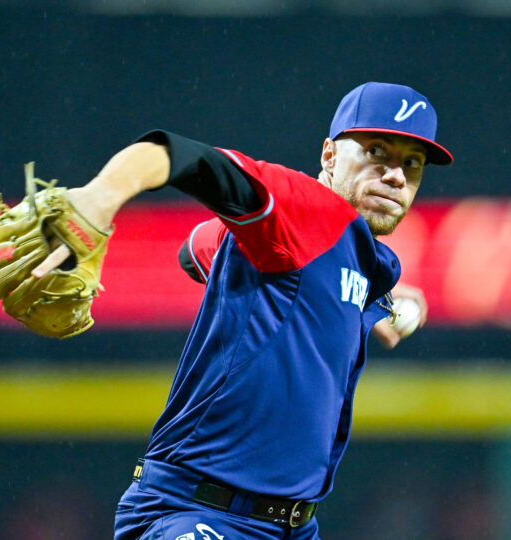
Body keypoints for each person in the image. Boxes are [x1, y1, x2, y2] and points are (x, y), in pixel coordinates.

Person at [32, 82, 453, 539]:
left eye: (412, 163)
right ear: (329, 155)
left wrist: (377, 302)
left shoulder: (360, 257)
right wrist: (99, 198)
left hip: (291, 527)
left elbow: (194, 249)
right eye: (376, 152)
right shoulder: (299, 208)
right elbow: (174, 154)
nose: (396, 176)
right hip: (200, 513)